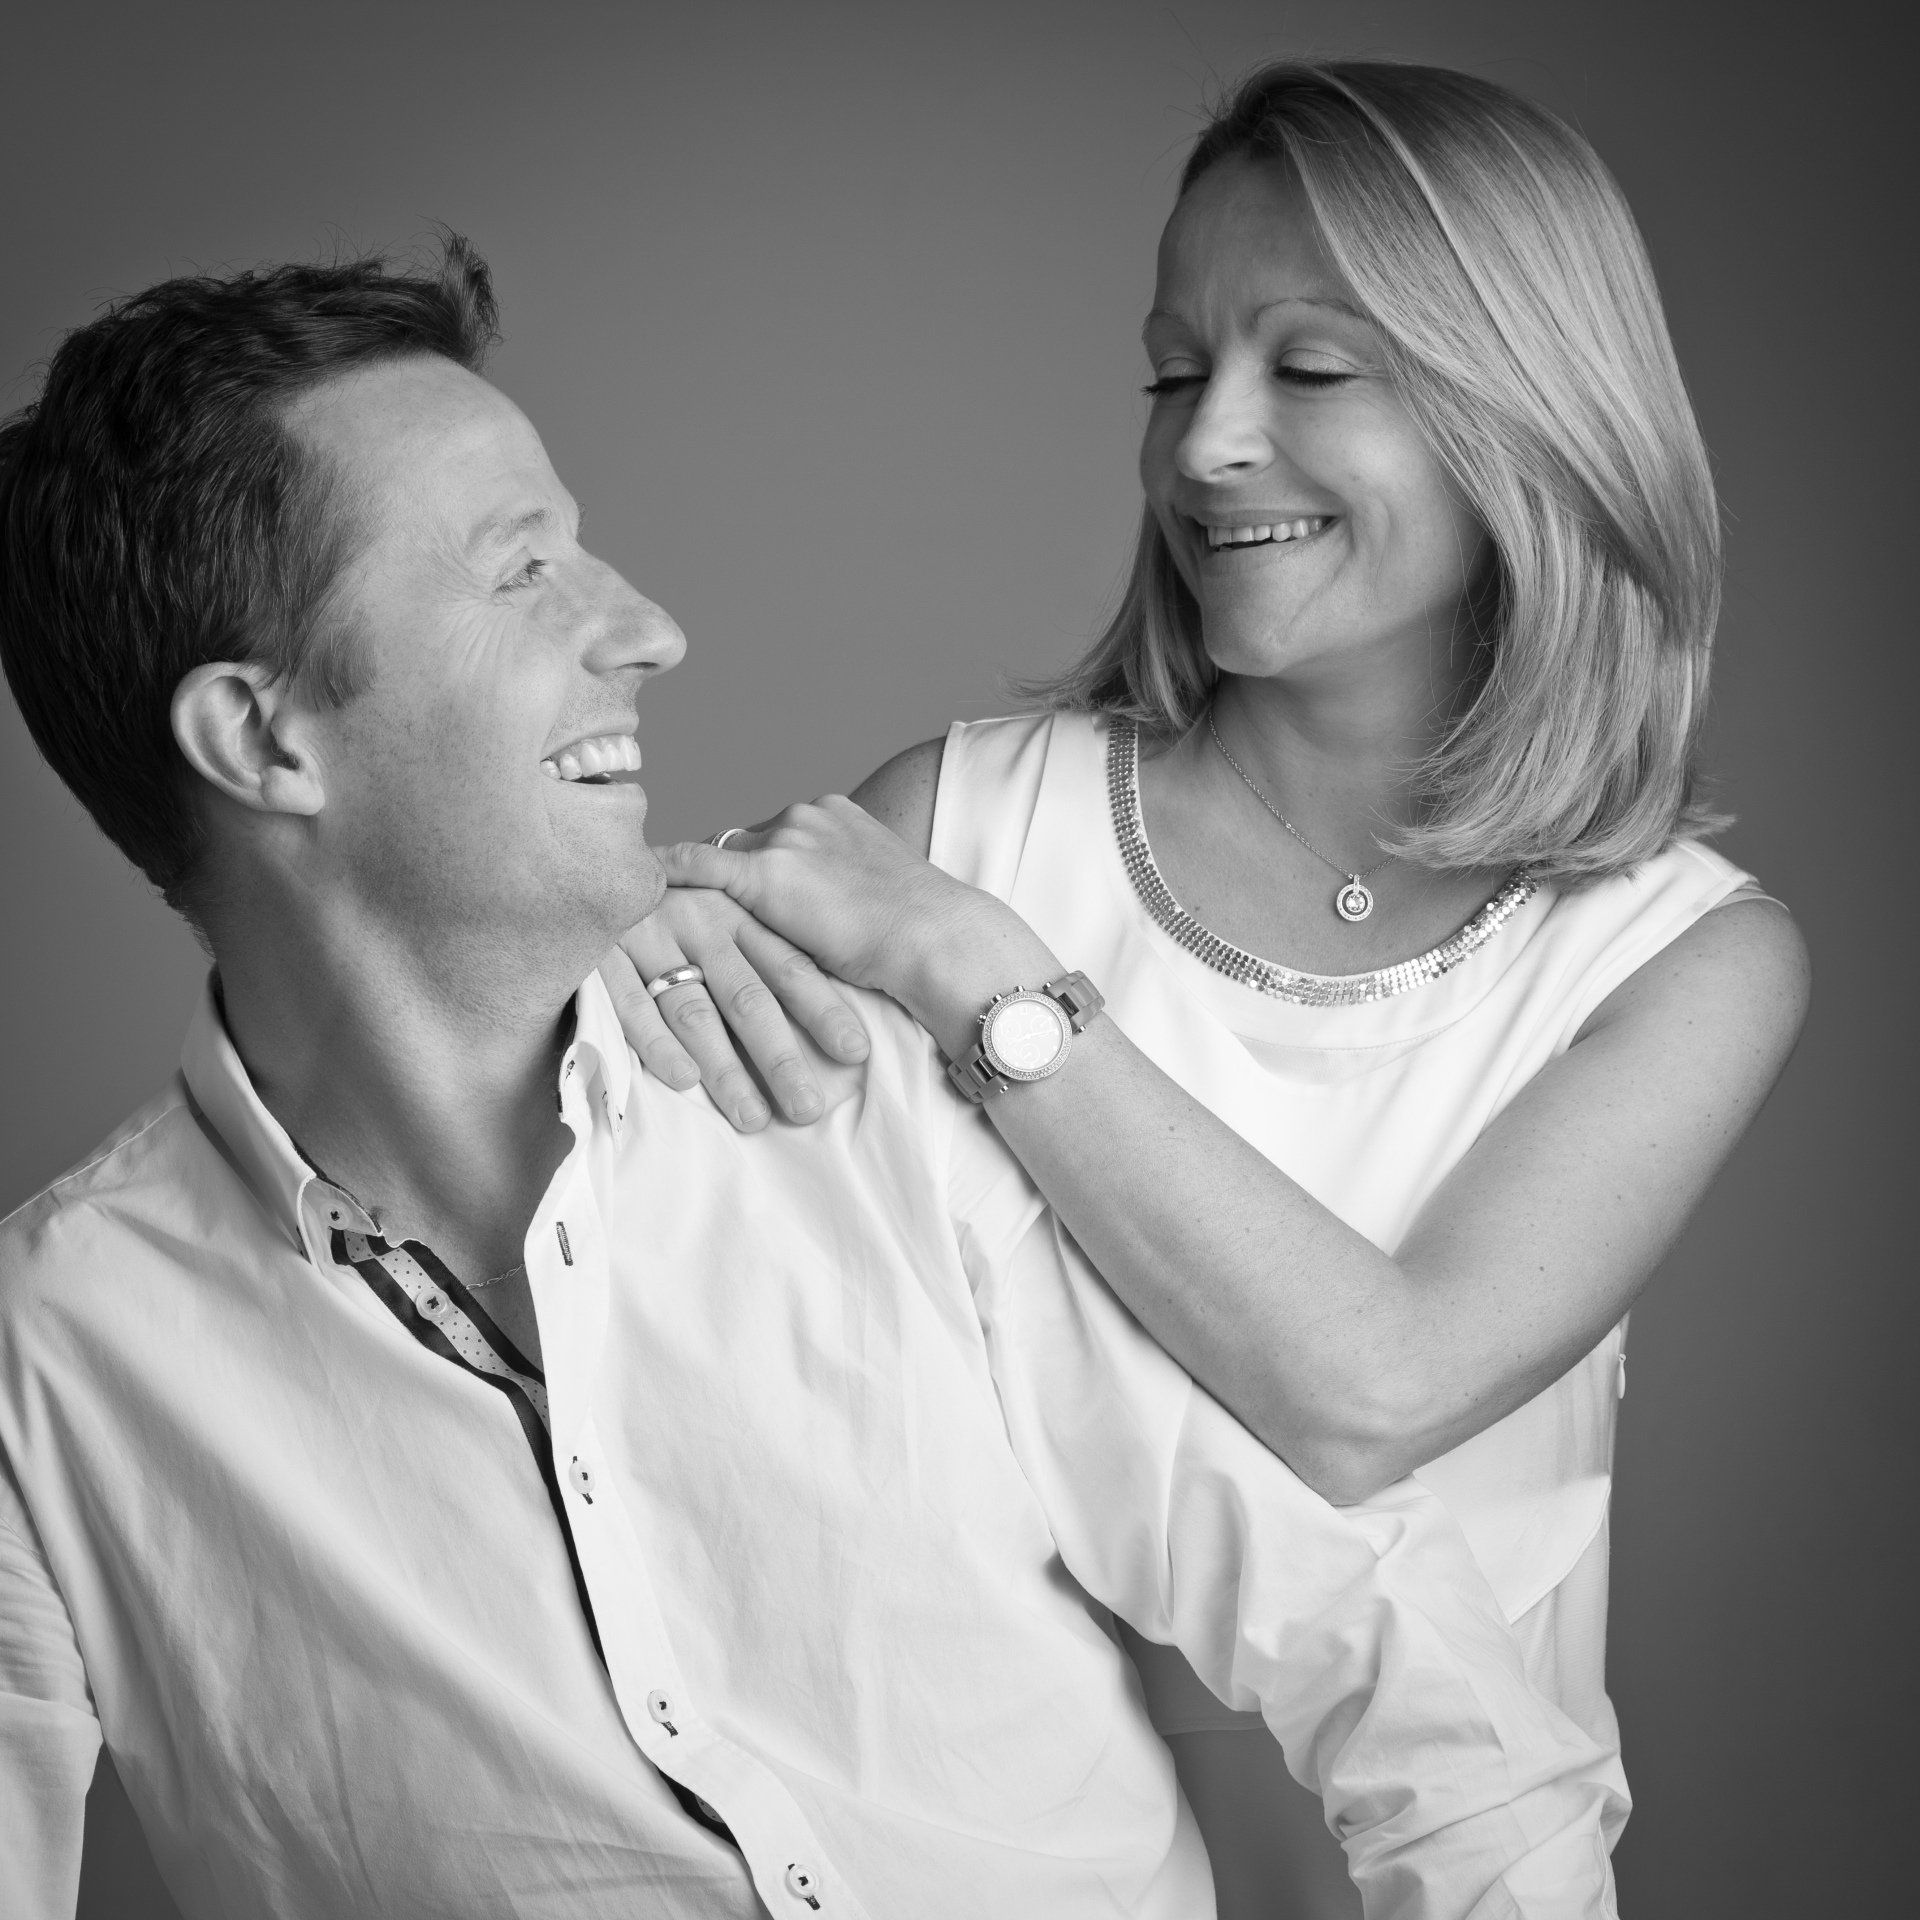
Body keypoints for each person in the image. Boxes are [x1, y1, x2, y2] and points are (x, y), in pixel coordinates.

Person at [0, 243, 1625, 1919]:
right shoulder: (43, 1373)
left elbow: (1404, 1667)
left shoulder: (879, 1096)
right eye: (521, 570)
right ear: (262, 740)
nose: (646, 631)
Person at [608, 61, 1811, 1917]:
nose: (1204, 447)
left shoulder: (1686, 960)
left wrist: (977, 967)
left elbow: (1373, 1390)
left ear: (1534, 409)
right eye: (1175, 375)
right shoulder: (953, 820)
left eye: (1310, 368)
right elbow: (683, 1316)